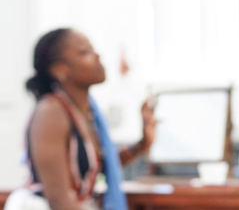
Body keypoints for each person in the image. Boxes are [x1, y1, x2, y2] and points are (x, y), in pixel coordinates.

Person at [23, 28, 156, 210]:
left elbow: (101, 164)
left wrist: (142, 144)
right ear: (59, 69)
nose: (97, 56)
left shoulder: (86, 112)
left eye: (92, 49)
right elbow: (58, 199)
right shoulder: (51, 111)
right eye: (84, 52)